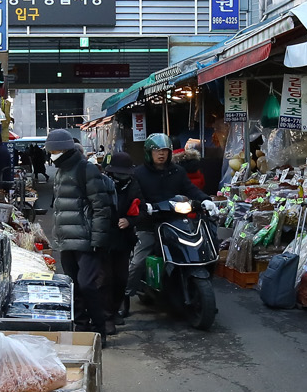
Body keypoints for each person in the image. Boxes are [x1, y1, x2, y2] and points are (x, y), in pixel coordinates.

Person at [44, 127, 115, 336]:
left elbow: (101, 208)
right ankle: (82, 328)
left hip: (86, 241)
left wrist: (98, 240)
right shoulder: (60, 172)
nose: (51, 155)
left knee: (87, 285)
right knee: (74, 287)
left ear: (64, 150)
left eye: (53, 151)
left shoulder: (86, 169)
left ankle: (99, 328)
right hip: (66, 241)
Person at [127, 133, 194, 300]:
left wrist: (206, 201)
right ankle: (125, 296)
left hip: (174, 222)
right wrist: (145, 206)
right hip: (148, 224)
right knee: (138, 261)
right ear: (149, 152)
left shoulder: (178, 171)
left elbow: (190, 189)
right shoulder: (138, 173)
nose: (161, 154)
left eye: (164, 150)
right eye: (157, 150)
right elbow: (135, 196)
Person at [105, 143, 139, 323]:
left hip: (124, 239)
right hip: (105, 237)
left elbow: (141, 209)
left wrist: (130, 221)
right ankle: (107, 317)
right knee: (106, 279)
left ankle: (115, 310)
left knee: (121, 278)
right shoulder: (103, 183)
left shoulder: (134, 185)